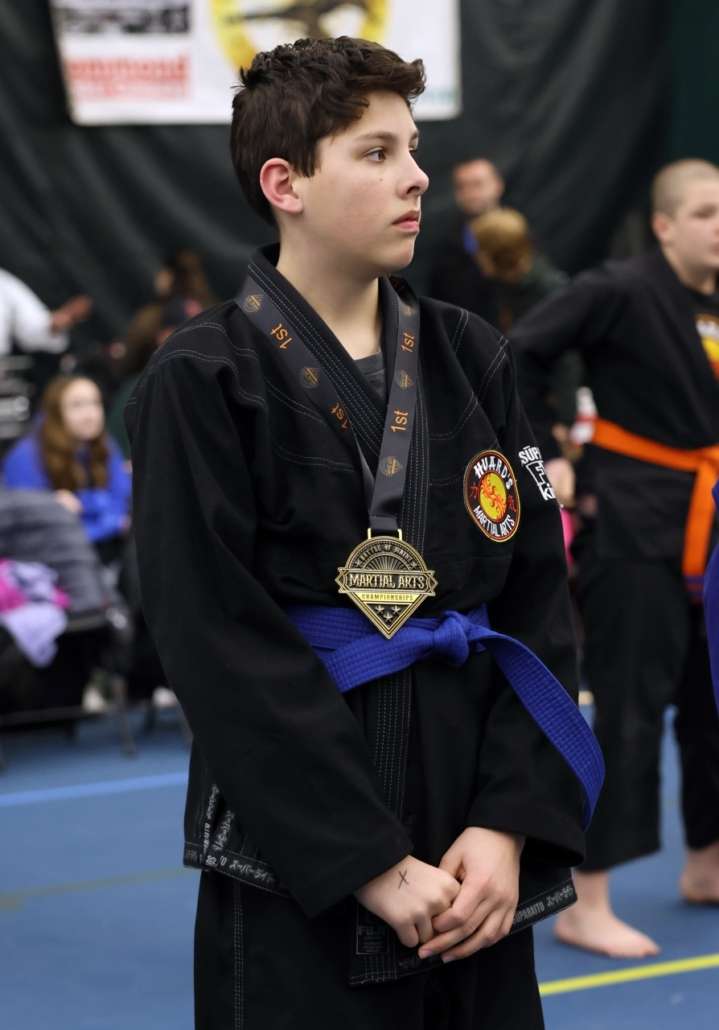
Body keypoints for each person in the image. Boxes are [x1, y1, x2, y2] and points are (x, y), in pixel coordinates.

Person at [127, 37, 600, 1029]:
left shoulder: (469, 354)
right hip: (303, 849)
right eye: (377, 153)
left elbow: (535, 604)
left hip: (472, 846)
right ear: (284, 184)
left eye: (413, 149)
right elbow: (212, 640)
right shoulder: (206, 377)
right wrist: (369, 859)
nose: (416, 176)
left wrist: (507, 822)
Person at [512, 158, 719, 958]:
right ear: (663, 225)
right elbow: (518, 355)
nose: (718, 226)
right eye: (704, 212)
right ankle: (583, 900)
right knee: (628, 710)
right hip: (633, 527)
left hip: (709, 522)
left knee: (711, 705)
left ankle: (706, 864)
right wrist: (545, 452)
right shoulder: (620, 290)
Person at [2, 375, 131, 565]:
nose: (90, 414)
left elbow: (121, 506)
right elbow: (29, 525)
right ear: (56, 412)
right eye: (77, 405)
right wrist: (103, 515)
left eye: (95, 403)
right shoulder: (26, 455)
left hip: (101, 550)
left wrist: (84, 504)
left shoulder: (104, 444)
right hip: (47, 559)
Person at [428, 157, 504, 321]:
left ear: (497, 185)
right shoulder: (447, 244)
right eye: (462, 187)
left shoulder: (521, 232)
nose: (471, 194)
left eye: (478, 184)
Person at [0, 268, 91, 356]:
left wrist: (54, 326)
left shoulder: (60, 344)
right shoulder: (31, 308)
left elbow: (27, 338)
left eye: (74, 316)